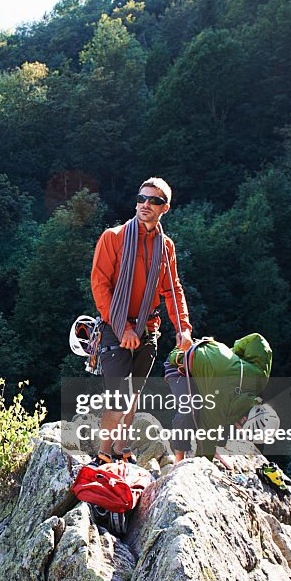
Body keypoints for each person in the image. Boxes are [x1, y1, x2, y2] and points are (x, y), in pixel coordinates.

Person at [90, 177, 193, 457]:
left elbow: (172, 290)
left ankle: (122, 450)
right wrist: (123, 328)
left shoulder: (166, 247)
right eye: (141, 198)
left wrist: (183, 329)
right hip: (115, 326)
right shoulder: (114, 238)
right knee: (117, 399)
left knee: (134, 394)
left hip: (149, 329)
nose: (145, 204)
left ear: (165, 208)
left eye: (154, 201)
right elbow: (100, 286)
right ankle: (103, 454)